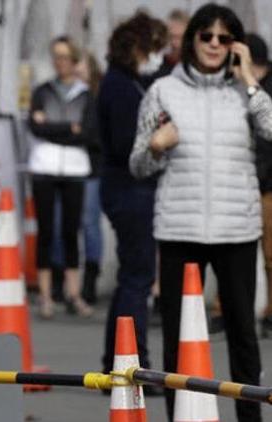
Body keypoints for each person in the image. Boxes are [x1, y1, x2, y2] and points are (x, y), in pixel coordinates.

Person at [130, 4, 272, 420]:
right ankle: (183, 415)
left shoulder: (244, 94)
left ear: (236, 45)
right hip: (180, 229)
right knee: (179, 337)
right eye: (206, 36)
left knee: (244, 336)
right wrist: (156, 146)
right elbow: (137, 164)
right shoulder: (163, 91)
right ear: (191, 39)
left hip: (237, 231)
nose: (214, 44)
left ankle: (250, 418)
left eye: (224, 38)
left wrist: (248, 80)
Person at [97, 11, 167, 390]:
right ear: (138, 48)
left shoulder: (125, 83)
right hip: (130, 190)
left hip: (126, 189)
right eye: (154, 47)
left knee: (132, 278)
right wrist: (161, 139)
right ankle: (133, 363)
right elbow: (128, 145)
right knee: (138, 280)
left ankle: (117, 360)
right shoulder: (122, 88)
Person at [27, 35, 96, 319]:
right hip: (44, 165)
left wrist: (54, 126)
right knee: (46, 231)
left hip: (75, 168)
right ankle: (45, 295)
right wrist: (71, 128)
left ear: (75, 60)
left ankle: (74, 293)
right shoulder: (42, 90)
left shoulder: (85, 93)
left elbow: (89, 132)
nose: (60, 62)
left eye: (65, 56)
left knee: (71, 231)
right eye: (56, 56)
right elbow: (35, 126)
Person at [248, 33, 272, 338]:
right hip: (246, 180)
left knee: (269, 254)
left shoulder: (261, 90)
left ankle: (270, 311)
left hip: (268, 183)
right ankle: (222, 308)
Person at [74, 51, 103, 304]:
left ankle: (91, 277)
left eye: (82, 71)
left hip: (93, 168)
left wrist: (76, 131)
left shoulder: (97, 97)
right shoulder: (73, 97)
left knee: (89, 222)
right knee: (75, 224)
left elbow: (91, 133)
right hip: (74, 167)